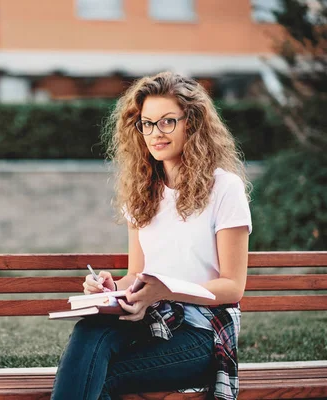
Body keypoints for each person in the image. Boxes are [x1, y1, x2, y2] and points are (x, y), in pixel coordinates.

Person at [51, 71, 252, 400]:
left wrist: (166, 290)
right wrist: (110, 289)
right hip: (149, 321)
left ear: (193, 122)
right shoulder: (142, 192)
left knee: (99, 376)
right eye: (146, 123)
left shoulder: (224, 188)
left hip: (202, 335)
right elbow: (136, 274)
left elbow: (233, 286)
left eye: (167, 121)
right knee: (90, 330)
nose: (155, 133)